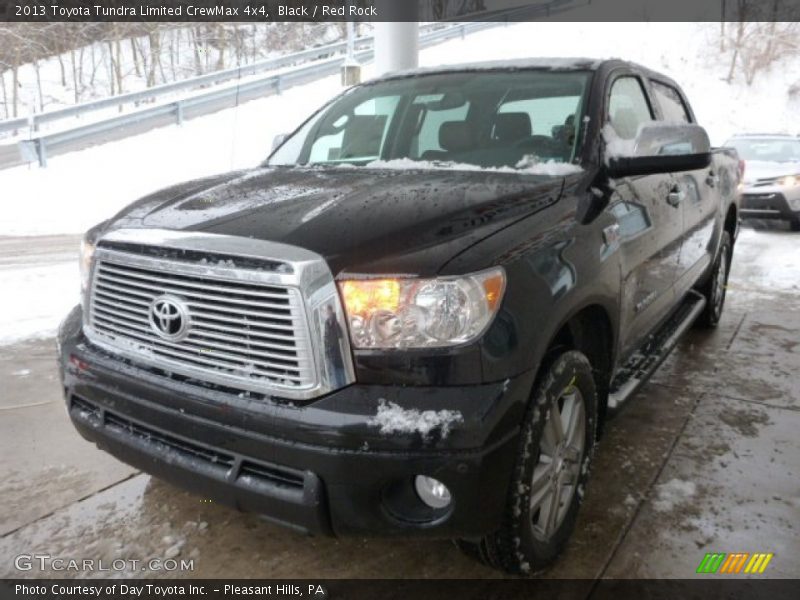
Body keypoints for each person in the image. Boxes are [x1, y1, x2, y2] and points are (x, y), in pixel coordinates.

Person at [323, 304, 346, 387]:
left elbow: (340, 335)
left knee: (340, 370)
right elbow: (326, 336)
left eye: (326, 310)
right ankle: (338, 386)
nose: (326, 312)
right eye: (325, 311)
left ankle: (342, 385)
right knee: (334, 371)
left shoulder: (336, 320)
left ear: (330, 310)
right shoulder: (327, 322)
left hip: (337, 350)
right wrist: (327, 350)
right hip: (330, 351)